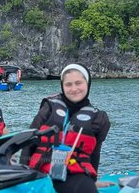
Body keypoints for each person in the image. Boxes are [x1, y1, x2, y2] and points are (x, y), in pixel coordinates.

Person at [20, 63, 111, 193]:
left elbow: (95, 153)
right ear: (62, 86)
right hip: (41, 170)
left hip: (74, 172)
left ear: (88, 83)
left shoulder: (99, 118)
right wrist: (24, 173)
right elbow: (29, 141)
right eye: (68, 84)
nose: (74, 88)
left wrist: (93, 180)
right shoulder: (49, 108)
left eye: (78, 83)